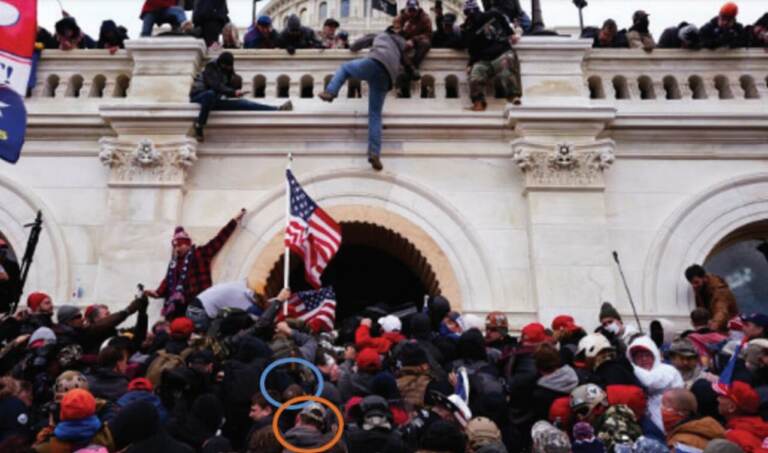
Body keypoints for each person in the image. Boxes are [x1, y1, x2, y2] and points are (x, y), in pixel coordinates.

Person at [318, 27, 406, 171]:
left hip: (376, 62)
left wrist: (352, 47)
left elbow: (358, 44)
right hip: (389, 77)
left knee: (345, 68)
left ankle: (331, 92)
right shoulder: (401, 45)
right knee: (375, 115)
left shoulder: (381, 34)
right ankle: (374, 153)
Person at [145, 207, 247, 318]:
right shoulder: (173, 263)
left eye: (180, 245)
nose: (177, 249)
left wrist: (234, 222)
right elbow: (168, 281)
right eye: (175, 247)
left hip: (198, 303)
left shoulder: (199, 254)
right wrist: (157, 293)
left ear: (188, 244)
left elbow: (219, 239)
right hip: (177, 307)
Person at [187, 52, 292, 141]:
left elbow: (223, 87)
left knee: (243, 103)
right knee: (210, 94)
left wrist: (234, 93)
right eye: (226, 66)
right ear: (222, 64)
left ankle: (276, 109)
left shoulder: (228, 72)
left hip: (214, 100)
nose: (228, 68)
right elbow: (215, 85)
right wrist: (233, 92)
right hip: (200, 96)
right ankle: (199, 125)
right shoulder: (211, 67)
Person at [460, 0, 522, 112]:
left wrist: (511, 34)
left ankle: (513, 96)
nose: (472, 15)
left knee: (506, 70)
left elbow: (503, 21)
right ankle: (478, 102)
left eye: (472, 12)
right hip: (485, 60)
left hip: (502, 52)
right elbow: (473, 50)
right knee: (475, 74)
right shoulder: (471, 30)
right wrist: (470, 64)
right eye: (469, 13)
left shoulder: (493, 14)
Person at [626, 335, 684, 433]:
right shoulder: (635, 374)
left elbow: (650, 381)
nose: (644, 359)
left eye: (647, 355)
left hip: (674, 418)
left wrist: (628, 364)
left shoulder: (667, 370)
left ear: (655, 355)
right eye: (639, 356)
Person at [714, 381, 768, 451]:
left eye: (723, 396)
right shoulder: (754, 426)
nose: (717, 398)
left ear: (732, 407)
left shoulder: (734, 437)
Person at [685, 264, 738, 332]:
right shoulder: (700, 289)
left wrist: (715, 323)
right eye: (691, 283)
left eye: (696, 282)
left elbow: (721, 310)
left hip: (728, 330)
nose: (694, 286)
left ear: (704, 278)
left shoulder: (720, 291)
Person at [393, 0, 433, 83]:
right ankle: (411, 69)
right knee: (397, 47)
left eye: (414, 10)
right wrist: (404, 31)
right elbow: (395, 33)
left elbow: (428, 34)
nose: (411, 13)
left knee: (426, 43)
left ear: (417, 10)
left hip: (418, 40)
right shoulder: (400, 18)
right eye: (410, 10)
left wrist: (413, 40)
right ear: (406, 9)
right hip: (404, 40)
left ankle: (412, 68)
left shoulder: (424, 18)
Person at [0, 239, 20, 313]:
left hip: (5, 303)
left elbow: (16, 283)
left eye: (3, 249)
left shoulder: (12, 265)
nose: (3, 252)